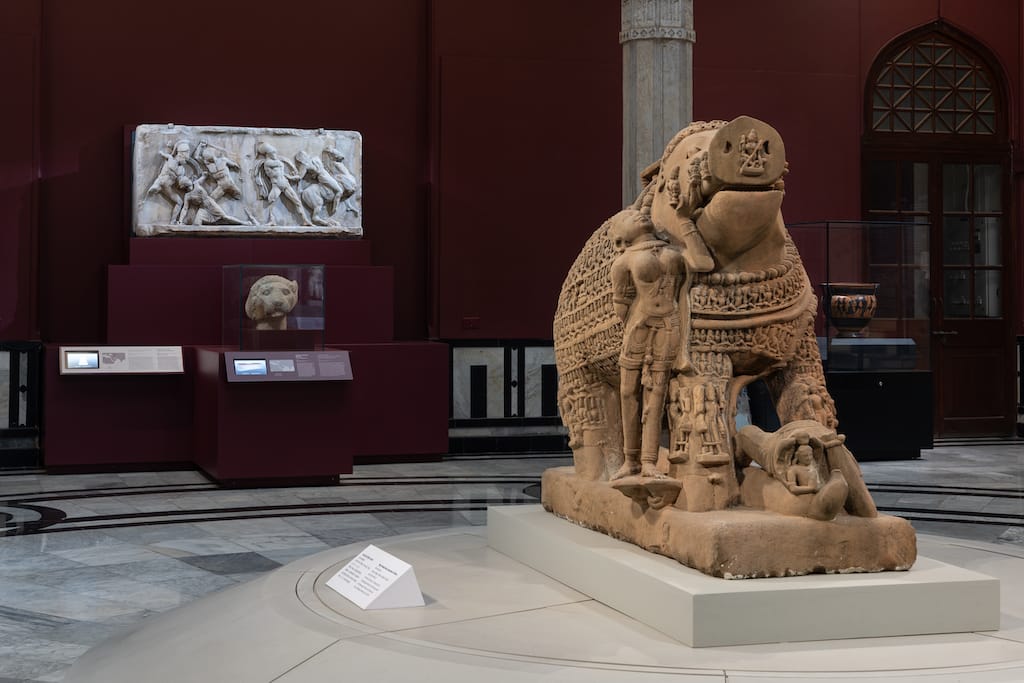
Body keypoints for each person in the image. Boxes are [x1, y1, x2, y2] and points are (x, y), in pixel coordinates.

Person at [608, 209, 685, 480]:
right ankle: (630, 460)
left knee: (657, 392)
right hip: (639, 325)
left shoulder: (673, 251)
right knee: (628, 391)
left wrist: (686, 221)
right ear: (621, 238)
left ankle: (649, 461)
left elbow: (698, 270)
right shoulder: (623, 261)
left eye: (639, 214)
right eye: (630, 218)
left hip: (670, 324)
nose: (639, 215)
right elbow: (621, 306)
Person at [253, 142, 311, 225]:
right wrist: (286, 164)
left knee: (297, 202)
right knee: (271, 202)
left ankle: (305, 220)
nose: (275, 154)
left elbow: (281, 167)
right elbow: (277, 166)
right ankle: (271, 220)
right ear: (268, 154)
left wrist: (291, 173)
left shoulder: (277, 161)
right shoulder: (268, 163)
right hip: (276, 185)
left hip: (285, 183)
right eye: (273, 153)